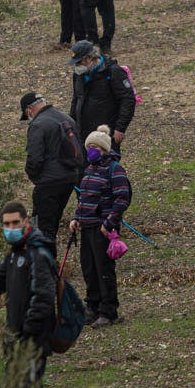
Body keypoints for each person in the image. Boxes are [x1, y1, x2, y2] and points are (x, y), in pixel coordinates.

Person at [0, 200, 58, 388]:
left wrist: (28, 331)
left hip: (32, 338)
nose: (11, 228)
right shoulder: (15, 252)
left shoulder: (37, 252)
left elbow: (44, 296)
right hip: (16, 335)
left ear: (26, 222)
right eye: (7, 224)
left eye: (15, 223)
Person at [70, 125, 131, 326]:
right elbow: (84, 198)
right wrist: (76, 218)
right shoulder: (89, 169)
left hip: (102, 228)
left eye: (95, 147)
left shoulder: (115, 169)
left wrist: (109, 223)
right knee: (88, 268)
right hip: (86, 226)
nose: (91, 151)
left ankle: (108, 311)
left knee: (103, 268)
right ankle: (92, 307)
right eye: (89, 147)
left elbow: (122, 198)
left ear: (104, 149)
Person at [19, 91, 82, 245]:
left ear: (29, 109)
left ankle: (43, 264)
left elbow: (34, 158)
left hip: (48, 183)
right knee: (52, 223)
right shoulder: (67, 118)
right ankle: (48, 260)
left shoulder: (38, 124)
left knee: (39, 227)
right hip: (69, 179)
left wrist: (34, 177)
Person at [68, 39, 136, 150]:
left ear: (89, 58)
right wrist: (72, 125)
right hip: (83, 132)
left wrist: (120, 128)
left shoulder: (113, 72)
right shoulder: (79, 74)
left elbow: (128, 100)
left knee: (105, 165)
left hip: (105, 133)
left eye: (79, 62)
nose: (77, 66)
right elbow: (76, 98)